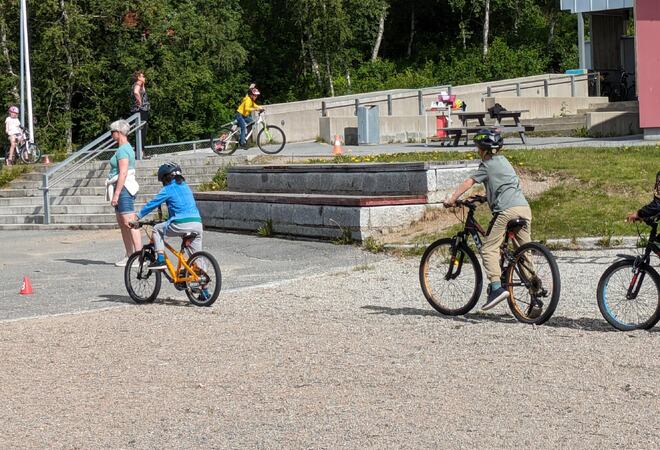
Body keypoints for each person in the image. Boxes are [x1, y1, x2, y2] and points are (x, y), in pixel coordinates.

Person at [445, 129, 532, 310]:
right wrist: (486, 197)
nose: (477, 150)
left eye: (478, 147)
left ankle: (496, 288)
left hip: (506, 211)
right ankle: (534, 289)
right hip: (523, 208)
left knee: (488, 249)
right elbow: (503, 185)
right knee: (523, 252)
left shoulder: (486, 164)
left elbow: (469, 182)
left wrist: (452, 198)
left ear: (483, 149)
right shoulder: (504, 161)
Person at [130, 162, 203, 271]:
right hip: (197, 223)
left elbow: (152, 204)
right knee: (197, 257)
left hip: (181, 223)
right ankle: (204, 284)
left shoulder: (168, 189)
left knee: (156, 229)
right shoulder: (186, 187)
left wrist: (137, 217)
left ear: (165, 178)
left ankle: (160, 259)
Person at [106, 120, 141, 267]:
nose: (111, 134)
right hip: (121, 187)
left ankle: (138, 256)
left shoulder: (122, 150)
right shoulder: (124, 148)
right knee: (123, 223)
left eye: (112, 132)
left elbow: (123, 172)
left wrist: (116, 194)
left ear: (118, 132)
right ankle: (130, 255)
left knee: (130, 223)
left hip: (124, 188)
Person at [130, 70, 150, 155]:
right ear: (138, 77)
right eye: (142, 76)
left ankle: (139, 151)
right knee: (142, 131)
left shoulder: (139, 84)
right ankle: (140, 152)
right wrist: (139, 101)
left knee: (139, 131)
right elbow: (136, 92)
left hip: (138, 110)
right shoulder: (138, 83)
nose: (144, 77)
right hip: (141, 110)